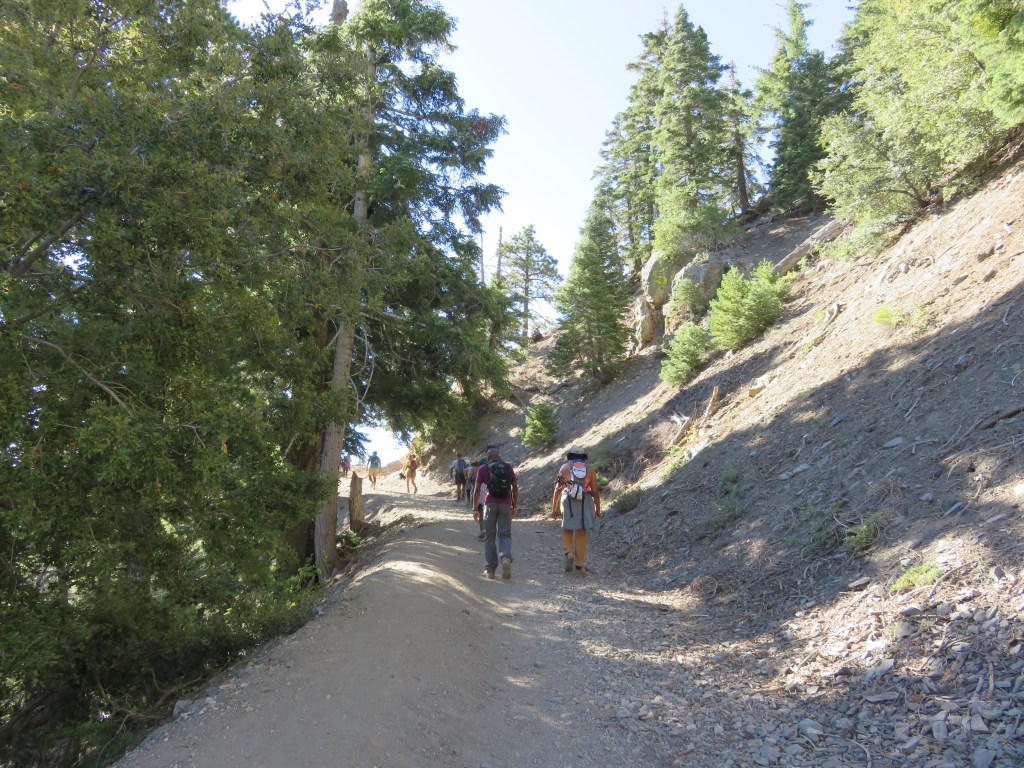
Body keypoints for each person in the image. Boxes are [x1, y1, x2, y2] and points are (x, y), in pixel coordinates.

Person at [551, 447, 601, 575]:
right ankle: (579, 566)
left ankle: (569, 553)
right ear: (584, 457)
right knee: (581, 533)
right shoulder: (590, 470)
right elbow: (595, 491)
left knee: (567, 529)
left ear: (571, 456)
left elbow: (558, 489)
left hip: (567, 500)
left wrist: (554, 507)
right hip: (585, 501)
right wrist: (598, 509)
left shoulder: (565, 468)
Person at [473, 446, 518, 579]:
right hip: (506, 504)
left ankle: (490, 570)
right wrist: (514, 505)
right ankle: (505, 558)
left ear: (488, 457)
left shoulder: (483, 468)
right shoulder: (508, 467)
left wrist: (475, 508)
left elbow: (477, 489)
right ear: (499, 455)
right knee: (505, 534)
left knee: (489, 536)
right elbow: (514, 487)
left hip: (489, 504)